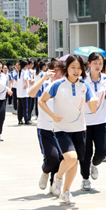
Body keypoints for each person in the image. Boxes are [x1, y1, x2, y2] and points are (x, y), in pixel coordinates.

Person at [39, 55, 98, 205]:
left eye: (79, 68)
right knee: (71, 158)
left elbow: (93, 109)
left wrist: (95, 102)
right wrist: (52, 115)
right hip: (61, 129)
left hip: (79, 129)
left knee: (75, 162)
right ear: (67, 68)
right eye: (73, 67)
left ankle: (65, 192)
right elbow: (41, 101)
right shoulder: (57, 85)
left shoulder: (84, 86)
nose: (76, 71)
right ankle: (58, 177)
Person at [29, 59, 65, 191]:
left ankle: (54, 184)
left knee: (61, 158)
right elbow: (31, 93)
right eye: (53, 73)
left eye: (59, 74)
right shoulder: (45, 85)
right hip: (45, 128)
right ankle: (45, 172)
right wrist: (44, 77)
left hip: (62, 128)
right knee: (52, 158)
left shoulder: (65, 85)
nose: (56, 76)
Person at [79, 53, 106, 191]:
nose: (98, 66)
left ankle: (94, 164)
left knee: (103, 151)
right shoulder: (82, 80)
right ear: (89, 64)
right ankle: (85, 178)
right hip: (85, 121)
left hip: (100, 120)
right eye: (95, 63)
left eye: (100, 63)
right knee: (85, 153)